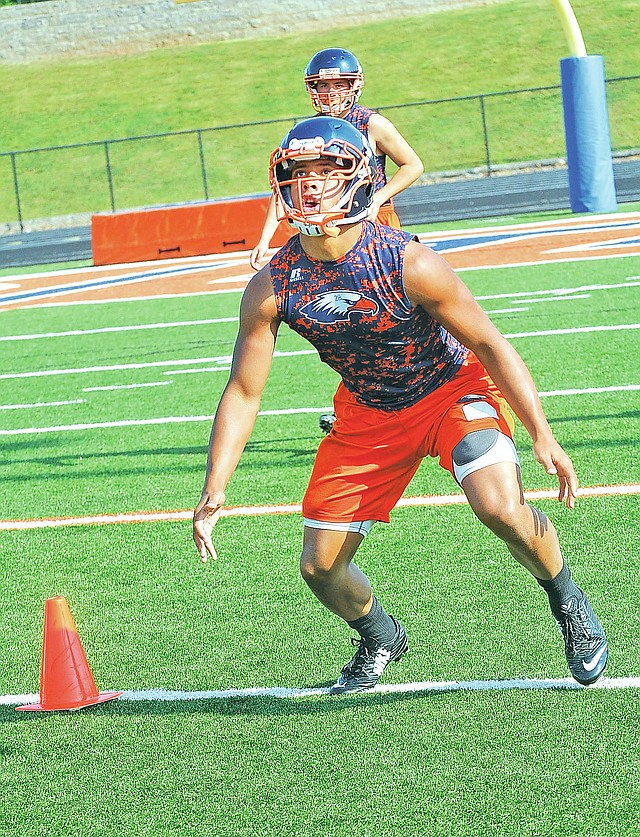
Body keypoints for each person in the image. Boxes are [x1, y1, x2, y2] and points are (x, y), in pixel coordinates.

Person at [193, 117, 608, 695]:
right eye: (300, 173)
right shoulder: (272, 284)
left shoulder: (408, 261)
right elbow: (244, 389)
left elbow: (489, 343)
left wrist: (542, 433)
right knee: (319, 567)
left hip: (451, 390)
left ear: (358, 177)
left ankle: (567, 601)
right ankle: (379, 633)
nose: (310, 186)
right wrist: (216, 487)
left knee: (501, 508)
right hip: (367, 413)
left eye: (327, 171)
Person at [249, 47, 424, 272]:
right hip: (326, 220)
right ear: (313, 88)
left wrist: (378, 199)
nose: (330, 92)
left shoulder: (372, 124)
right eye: (323, 85)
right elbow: (286, 187)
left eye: (339, 84)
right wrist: (265, 239)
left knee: (390, 283)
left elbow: (413, 165)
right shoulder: (308, 130)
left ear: (354, 86)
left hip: (371, 217)